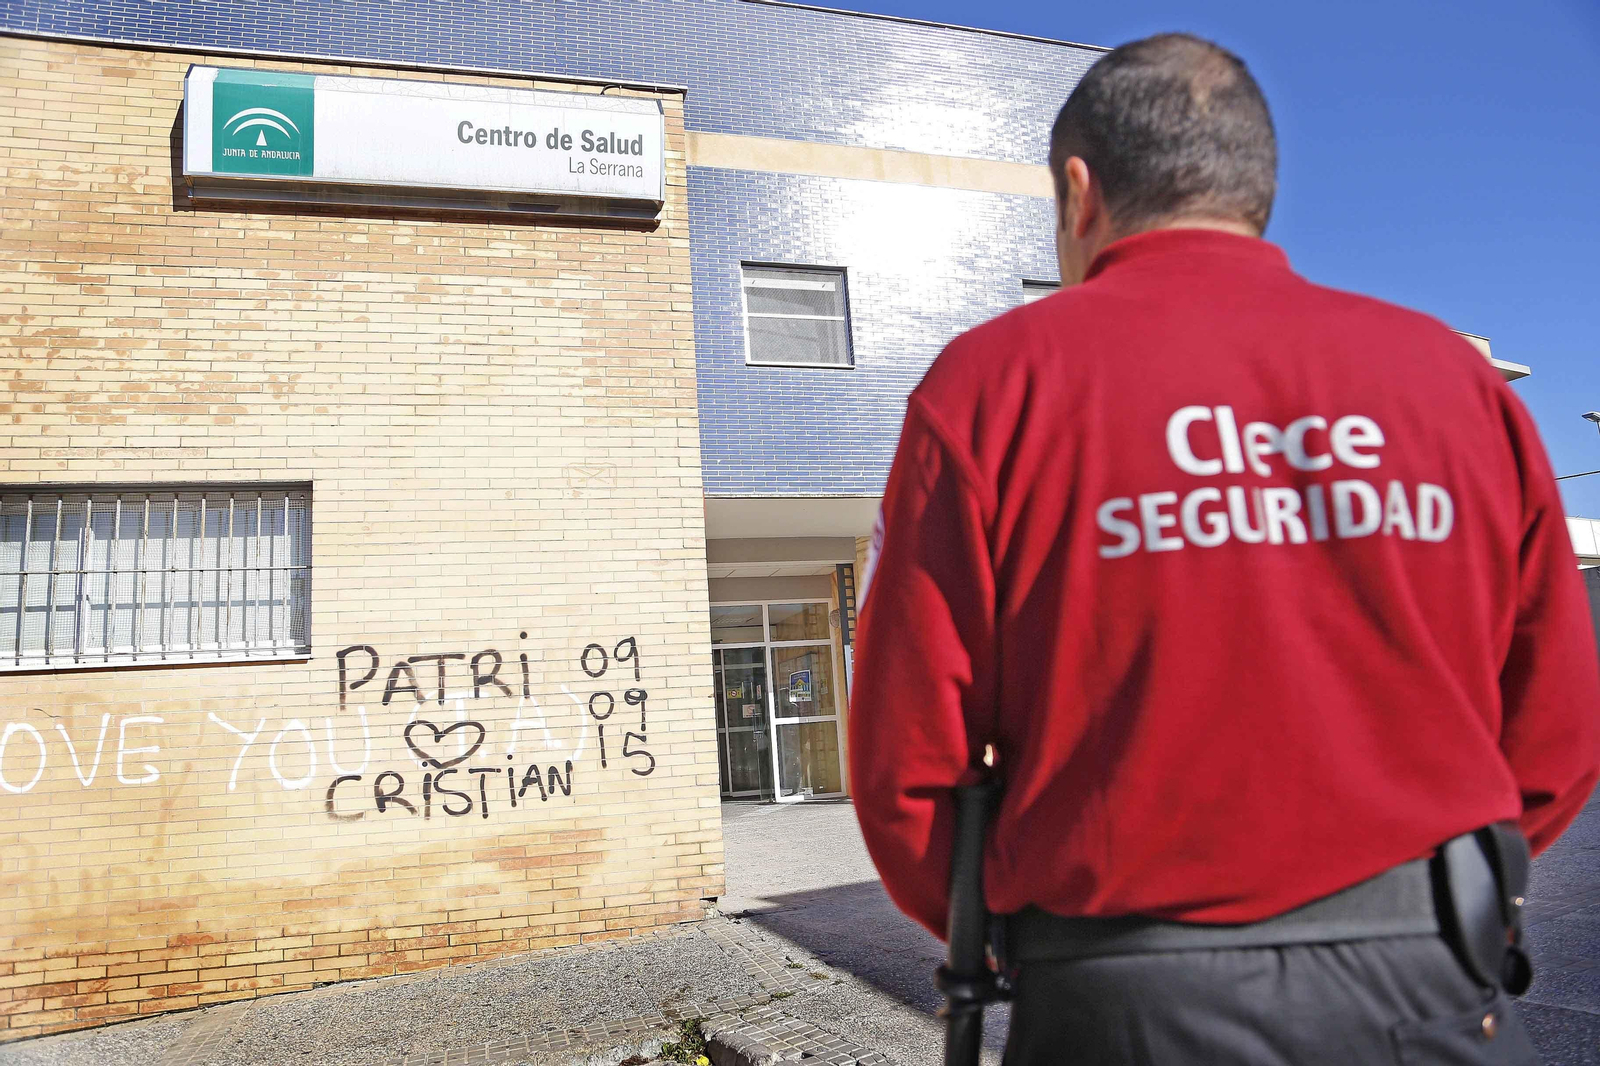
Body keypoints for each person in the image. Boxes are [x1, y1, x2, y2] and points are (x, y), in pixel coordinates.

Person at [849, 32, 1600, 1065]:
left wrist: (1019, 930)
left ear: (1079, 193)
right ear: (1255, 191)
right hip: (1430, 985)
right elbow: (1557, 732)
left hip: (1117, 1001)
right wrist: (1436, 886)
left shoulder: (989, 386)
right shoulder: (1450, 381)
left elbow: (905, 766)